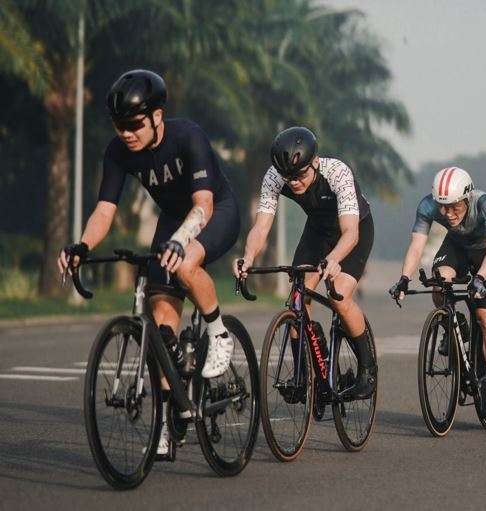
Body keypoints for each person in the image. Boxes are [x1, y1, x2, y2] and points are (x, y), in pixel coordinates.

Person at [57, 69, 240, 455]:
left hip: (214, 211)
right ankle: (167, 419)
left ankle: (219, 332)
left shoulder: (187, 136)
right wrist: (82, 246)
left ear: (157, 116)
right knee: (160, 322)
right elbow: (105, 211)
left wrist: (180, 240)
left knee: (187, 263)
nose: (126, 132)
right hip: (172, 219)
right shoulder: (118, 151)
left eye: (134, 124)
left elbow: (203, 204)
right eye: (119, 125)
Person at [234, 126, 376, 399]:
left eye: (299, 176)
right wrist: (248, 258)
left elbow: (351, 234)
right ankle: (312, 370)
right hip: (318, 230)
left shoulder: (337, 173)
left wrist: (333, 260)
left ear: (314, 162)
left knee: (339, 296)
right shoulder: (275, 176)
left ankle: (368, 369)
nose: (293, 182)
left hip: (354, 229)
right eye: (288, 177)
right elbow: (261, 227)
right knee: (297, 300)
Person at [389, 167, 486, 417]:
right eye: (443, 207)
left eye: (455, 207)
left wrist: (481, 278)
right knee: (439, 281)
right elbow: (417, 245)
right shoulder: (428, 205)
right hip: (457, 246)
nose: (448, 214)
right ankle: (453, 321)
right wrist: (404, 278)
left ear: (467, 198)